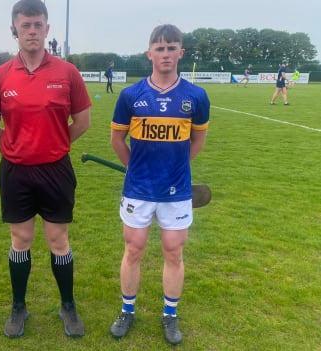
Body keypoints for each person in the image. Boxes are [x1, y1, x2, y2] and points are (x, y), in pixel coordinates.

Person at [0, 0, 91, 338]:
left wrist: (55, 143)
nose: (31, 31)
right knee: (21, 238)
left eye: (37, 25)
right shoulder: (0, 76)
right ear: (15, 30)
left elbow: (83, 121)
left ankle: (67, 305)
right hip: (16, 172)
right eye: (25, 25)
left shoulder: (67, 72)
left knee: (59, 240)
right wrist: (13, 147)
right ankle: (18, 306)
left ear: (47, 29)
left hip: (56, 170)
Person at [108, 24, 209, 345]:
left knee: (174, 252)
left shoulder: (195, 96)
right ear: (149, 53)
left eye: (172, 48)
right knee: (134, 249)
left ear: (181, 53)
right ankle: (127, 310)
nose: (165, 54)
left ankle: (170, 315)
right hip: (138, 189)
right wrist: (135, 169)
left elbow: (198, 141)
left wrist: (175, 169)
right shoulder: (131, 96)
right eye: (160, 48)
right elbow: (116, 139)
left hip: (176, 192)